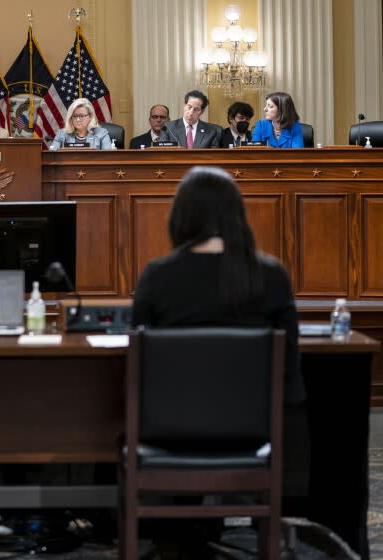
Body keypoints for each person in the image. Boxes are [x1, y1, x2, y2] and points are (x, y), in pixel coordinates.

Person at [131, 165, 306, 554]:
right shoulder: (270, 275)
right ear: (235, 214)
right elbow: (290, 373)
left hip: (166, 434)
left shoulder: (158, 277)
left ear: (182, 216)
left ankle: (171, 537)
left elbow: (138, 366)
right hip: (252, 433)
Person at [157, 90, 222, 148]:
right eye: (189, 107)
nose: (191, 113)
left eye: (196, 109)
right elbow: (162, 154)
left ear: (202, 111)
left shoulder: (211, 131)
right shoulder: (168, 128)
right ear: (184, 106)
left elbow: (213, 156)